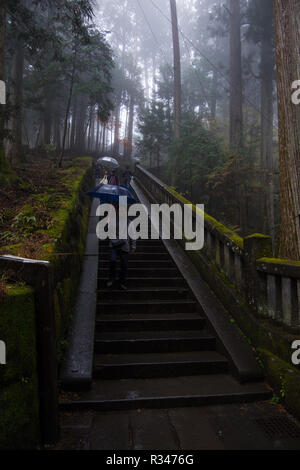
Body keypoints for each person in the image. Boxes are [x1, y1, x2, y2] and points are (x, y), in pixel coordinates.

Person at [107, 202, 136, 290]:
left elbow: (133, 235)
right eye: (120, 211)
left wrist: (133, 246)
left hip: (125, 246)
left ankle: (122, 282)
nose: (122, 213)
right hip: (114, 245)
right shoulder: (112, 220)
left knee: (124, 264)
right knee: (112, 260)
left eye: (124, 211)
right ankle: (112, 279)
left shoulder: (129, 222)